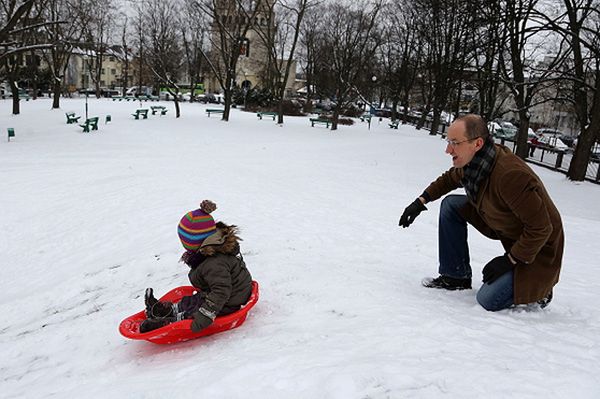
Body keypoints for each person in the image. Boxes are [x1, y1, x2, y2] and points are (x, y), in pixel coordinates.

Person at [398, 114, 563, 311]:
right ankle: (455, 276)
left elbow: (542, 228)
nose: (448, 150)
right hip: (504, 224)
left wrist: (509, 260)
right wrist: (420, 201)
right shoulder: (475, 162)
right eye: (448, 141)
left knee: (488, 299)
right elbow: (450, 179)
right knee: (451, 205)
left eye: (455, 143)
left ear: (477, 143)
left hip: (539, 249)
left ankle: (540, 290)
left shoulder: (510, 176)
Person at [140, 200, 253, 333]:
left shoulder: (214, 263)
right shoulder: (209, 254)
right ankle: (167, 310)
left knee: (197, 310)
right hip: (224, 292)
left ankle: (171, 321)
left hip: (230, 301)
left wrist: (204, 317)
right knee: (194, 300)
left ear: (196, 243)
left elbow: (221, 292)